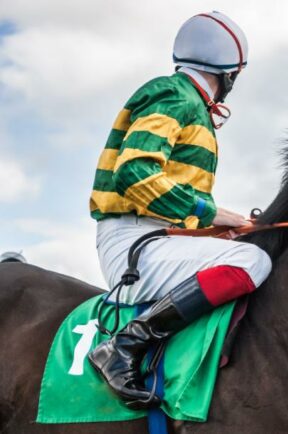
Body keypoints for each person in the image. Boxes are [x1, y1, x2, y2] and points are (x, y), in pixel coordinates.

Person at [86, 11, 271, 410]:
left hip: (156, 238)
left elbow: (171, 204)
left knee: (244, 251)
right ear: (230, 73)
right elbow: (134, 173)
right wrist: (214, 214)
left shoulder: (190, 103)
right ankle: (124, 346)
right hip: (133, 244)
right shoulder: (176, 95)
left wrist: (214, 231)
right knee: (253, 261)